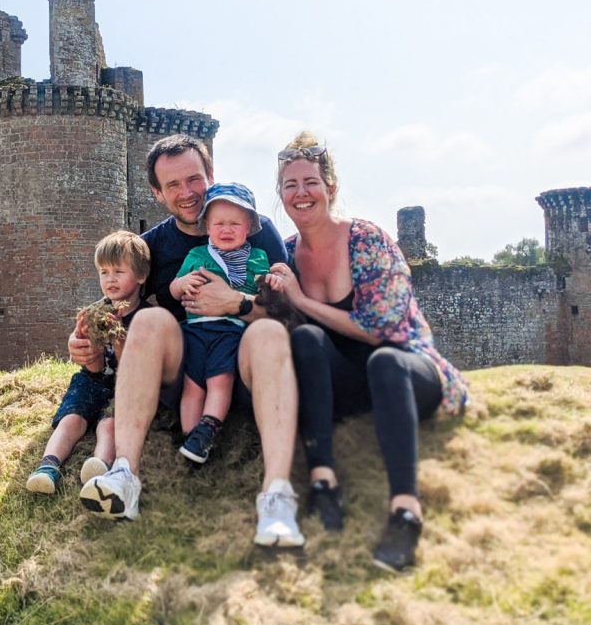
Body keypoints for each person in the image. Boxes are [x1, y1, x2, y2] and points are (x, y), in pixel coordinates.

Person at [77, 134, 305, 549]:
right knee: (147, 321)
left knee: (270, 329)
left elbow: (291, 313)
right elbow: (118, 306)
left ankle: (276, 496)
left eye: (194, 179)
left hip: (244, 361)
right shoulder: (153, 247)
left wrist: (234, 302)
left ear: (211, 175)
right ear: (157, 193)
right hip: (182, 372)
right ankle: (125, 474)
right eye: (173, 185)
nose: (187, 193)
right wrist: (87, 340)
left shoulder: (258, 229)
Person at [268, 130, 469, 571]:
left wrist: (302, 301)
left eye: (310, 183)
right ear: (280, 194)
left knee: (384, 361)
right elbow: (274, 328)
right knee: (304, 340)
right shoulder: (283, 253)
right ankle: (323, 481)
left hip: (405, 369)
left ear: (330, 188)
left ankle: (405, 510)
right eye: (290, 185)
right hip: (347, 383)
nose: (301, 194)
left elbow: (384, 331)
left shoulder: (366, 240)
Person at [26, 231, 151, 494]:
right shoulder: (95, 311)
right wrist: (85, 345)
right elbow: (92, 365)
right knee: (72, 418)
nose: (110, 279)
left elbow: (132, 368)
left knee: (108, 423)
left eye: (118, 271)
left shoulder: (147, 316)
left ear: (140, 276)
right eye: (104, 272)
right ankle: (48, 465)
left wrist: (117, 337)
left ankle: (99, 465)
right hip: (94, 379)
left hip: (125, 386)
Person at [169, 182, 270, 464]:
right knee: (193, 385)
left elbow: (261, 292)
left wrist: (268, 281)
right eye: (219, 223)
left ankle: (208, 428)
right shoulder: (197, 256)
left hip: (231, 330)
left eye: (235, 223)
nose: (226, 230)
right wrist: (183, 283)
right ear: (207, 227)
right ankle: (190, 437)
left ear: (248, 227)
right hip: (195, 330)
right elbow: (173, 288)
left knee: (219, 380)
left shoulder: (257, 257)